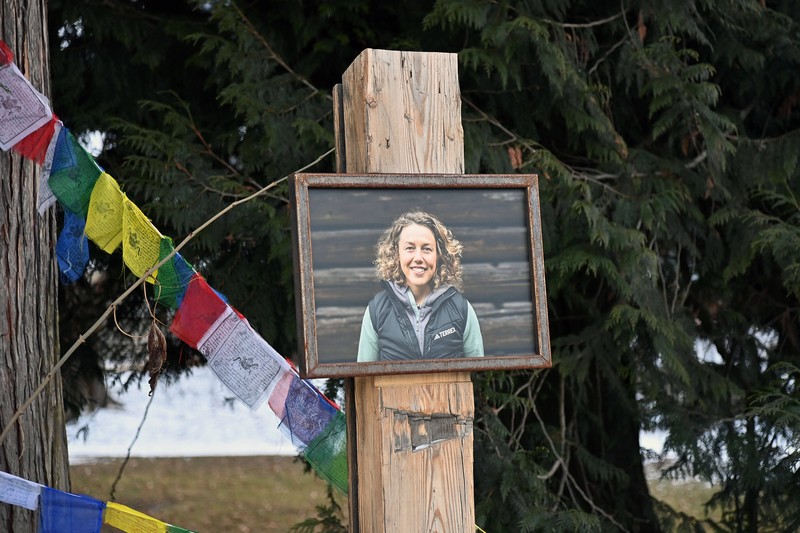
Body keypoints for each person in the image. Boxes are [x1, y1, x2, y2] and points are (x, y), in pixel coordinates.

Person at [357, 210, 484, 362]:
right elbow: (364, 373)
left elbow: (478, 371)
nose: (418, 258)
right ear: (396, 254)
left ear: (439, 255)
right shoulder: (376, 311)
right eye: (410, 248)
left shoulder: (462, 309)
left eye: (426, 249)